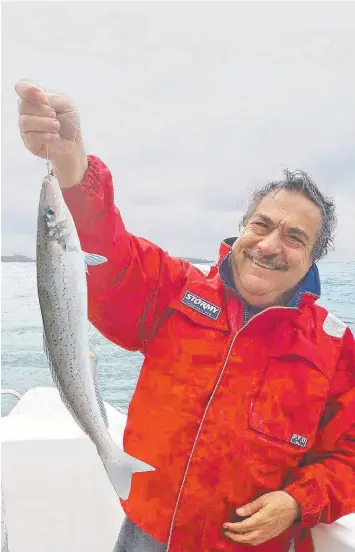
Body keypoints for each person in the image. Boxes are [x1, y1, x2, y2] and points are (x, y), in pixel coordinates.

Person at [15, 80, 355, 552]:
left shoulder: (335, 349)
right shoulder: (176, 289)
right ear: (241, 230)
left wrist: (300, 502)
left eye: (295, 238)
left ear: (313, 257)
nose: (270, 245)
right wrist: (71, 163)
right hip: (148, 534)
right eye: (261, 225)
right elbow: (109, 259)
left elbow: (351, 453)